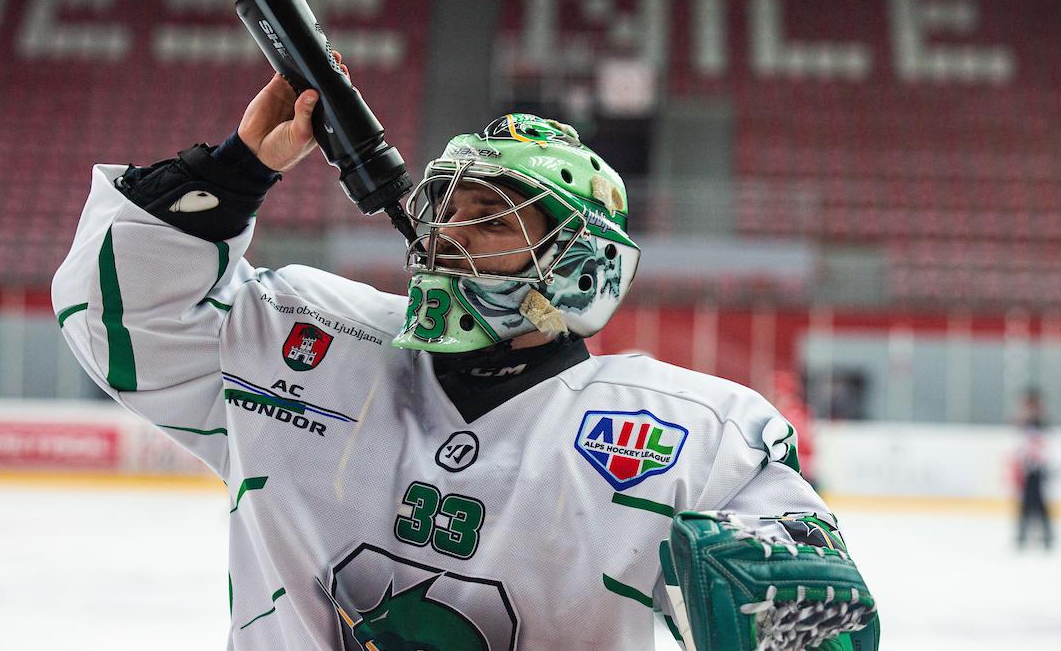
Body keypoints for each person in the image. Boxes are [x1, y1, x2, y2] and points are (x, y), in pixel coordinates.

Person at [54, 63, 878, 650]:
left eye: (490, 220)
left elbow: (815, 614)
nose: (446, 237)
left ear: (580, 264)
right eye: (445, 210)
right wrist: (232, 172)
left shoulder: (691, 435)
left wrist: (786, 612)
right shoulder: (309, 339)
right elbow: (117, 318)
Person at [1013, 388, 1052, 550]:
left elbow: (1041, 446)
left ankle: (1046, 535)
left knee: (1039, 502)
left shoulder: (1040, 423)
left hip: (1038, 469)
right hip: (1028, 469)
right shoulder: (1026, 424)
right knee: (1025, 502)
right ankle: (1023, 534)